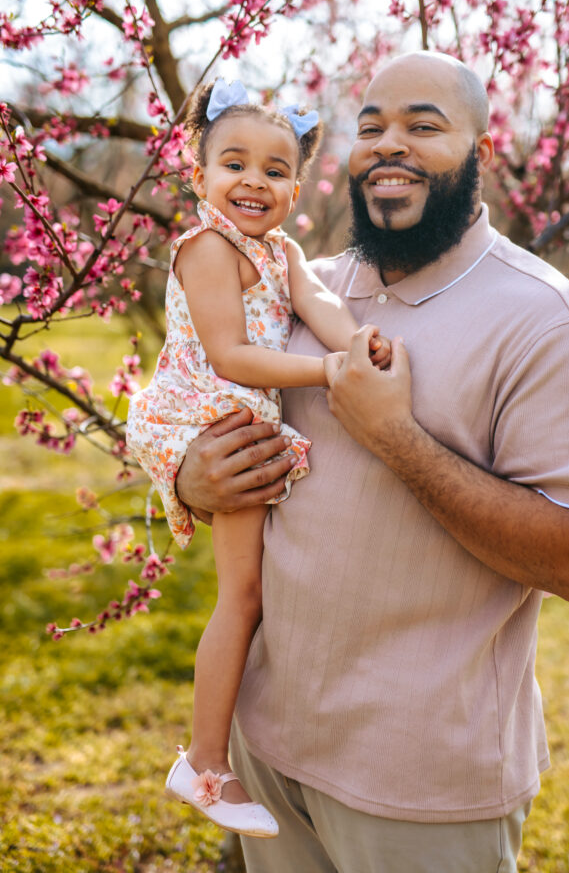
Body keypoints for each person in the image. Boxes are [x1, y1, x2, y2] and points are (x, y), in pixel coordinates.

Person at [175, 52, 569, 872]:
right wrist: (188, 477)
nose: (390, 145)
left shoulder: (549, 323)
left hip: (419, 784)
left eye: (423, 126)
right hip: (268, 747)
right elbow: (195, 388)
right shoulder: (295, 286)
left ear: (478, 151)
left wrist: (396, 440)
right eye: (371, 126)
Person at [126, 77, 390, 839]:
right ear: (198, 174)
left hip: (242, 418)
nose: (254, 181)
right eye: (234, 163)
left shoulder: (280, 250)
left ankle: (230, 752)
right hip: (211, 421)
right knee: (240, 598)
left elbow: (318, 307)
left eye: (275, 170)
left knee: (256, 595)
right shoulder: (208, 249)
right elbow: (231, 355)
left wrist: (360, 346)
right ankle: (205, 765)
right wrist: (330, 373)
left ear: (296, 188)